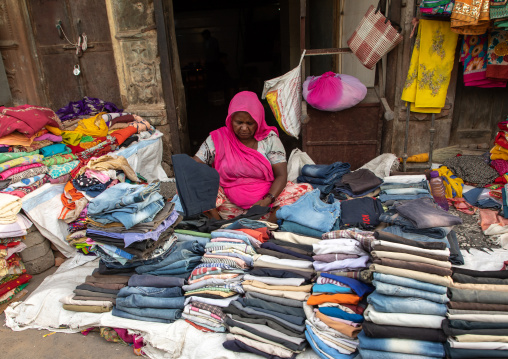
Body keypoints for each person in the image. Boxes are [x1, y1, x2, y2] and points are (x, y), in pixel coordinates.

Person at [194, 91, 313, 221]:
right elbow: (195, 165)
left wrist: (267, 200)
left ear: (258, 121)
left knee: (305, 190)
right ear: (230, 119)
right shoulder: (218, 138)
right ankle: (217, 224)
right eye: (239, 122)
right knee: (193, 187)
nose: (244, 128)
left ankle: (268, 224)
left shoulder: (269, 139)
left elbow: (281, 175)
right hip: (228, 204)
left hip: (266, 204)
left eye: (250, 123)